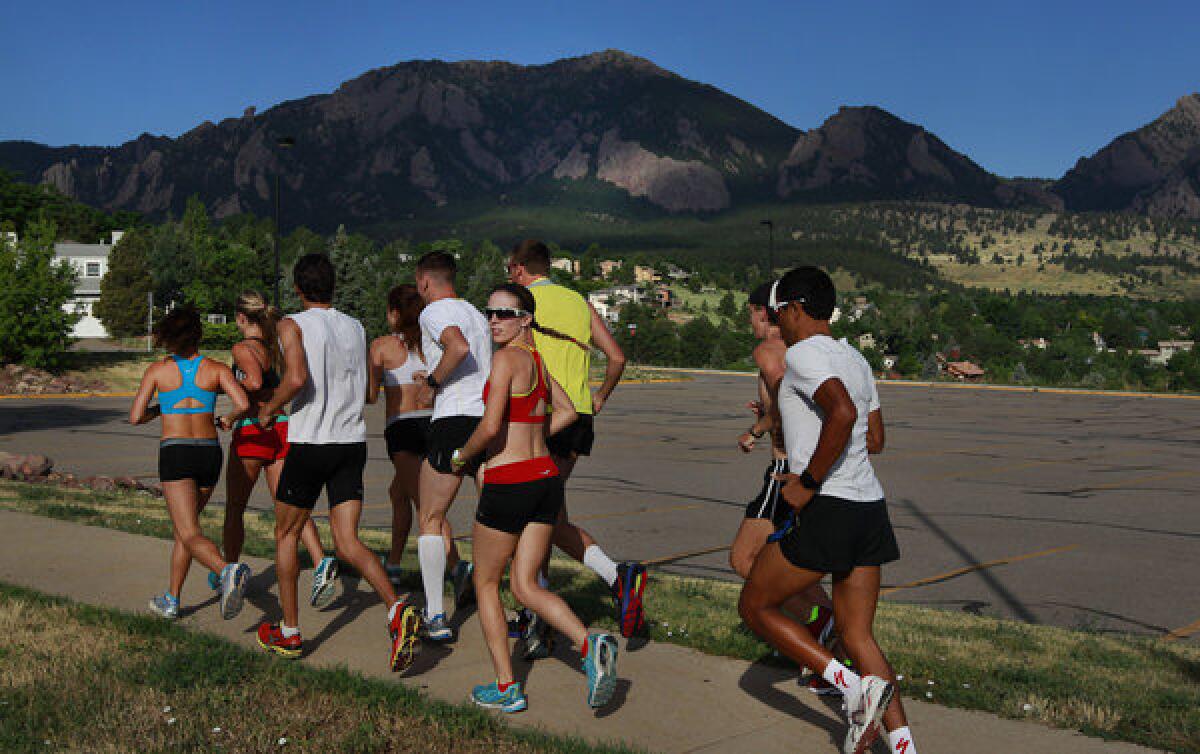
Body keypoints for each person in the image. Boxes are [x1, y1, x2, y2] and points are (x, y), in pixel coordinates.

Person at [738, 267, 915, 754]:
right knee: (858, 635)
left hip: (829, 505)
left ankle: (855, 689)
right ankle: (904, 749)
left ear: (795, 309)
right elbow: (874, 439)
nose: (778, 323)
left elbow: (842, 413)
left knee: (754, 605)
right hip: (868, 507)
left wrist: (809, 480)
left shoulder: (804, 354)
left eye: (779, 313)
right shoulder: (855, 357)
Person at [453, 283, 620, 713]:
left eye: (504, 314)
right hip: (545, 477)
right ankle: (589, 643)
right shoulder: (539, 362)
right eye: (489, 313)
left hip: (509, 482)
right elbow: (567, 412)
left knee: (486, 582)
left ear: (525, 319)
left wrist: (462, 456)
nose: (493, 320)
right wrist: (530, 440)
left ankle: (507, 686)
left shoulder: (507, 360)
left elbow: (489, 428)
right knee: (525, 585)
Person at [253, 253, 420, 672]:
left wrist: (270, 408)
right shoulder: (356, 326)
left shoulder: (292, 324)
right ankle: (396, 608)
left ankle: (289, 632)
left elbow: (296, 378)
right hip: (351, 442)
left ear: (297, 288)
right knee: (347, 541)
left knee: (286, 534)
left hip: (312, 441)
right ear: (334, 287)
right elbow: (366, 389)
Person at [506, 240, 645, 651]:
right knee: (545, 514)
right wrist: (599, 397)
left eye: (509, 269)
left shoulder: (523, 301)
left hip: (545, 415)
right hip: (579, 415)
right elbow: (616, 357)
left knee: (531, 514)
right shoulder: (577, 300)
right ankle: (544, 610)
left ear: (518, 269)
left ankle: (599, 584)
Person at [734, 281, 838, 695]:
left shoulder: (768, 351)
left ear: (765, 312)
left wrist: (765, 427)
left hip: (783, 471)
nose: (751, 322)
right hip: (796, 468)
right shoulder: (800, 349)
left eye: (751, 313)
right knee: (788, 561)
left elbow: (783, 388)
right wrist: (765, 420)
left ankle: (820, 625)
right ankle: (825, 626)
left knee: (744, 560)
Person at [129, 305, 252, 621]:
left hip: (176, 452)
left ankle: (227, 572)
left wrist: (161, 409)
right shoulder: (216, 369)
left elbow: (135, 417)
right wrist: (227, 418)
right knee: (187, 530)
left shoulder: (158, 371)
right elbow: (243, 403)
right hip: (209, 452)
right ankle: (172, 598)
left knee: (188, 531)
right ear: (197, 334)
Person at [219, 290, 339, 609]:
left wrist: (226, 386)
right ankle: (320, 561)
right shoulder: (276, 347)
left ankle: (229, 571)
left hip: (254, 429)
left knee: (234, 507)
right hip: (283, 428)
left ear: (241, 318)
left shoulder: (243, 348)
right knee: (288, 508)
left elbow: (255, 383)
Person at [412, 251, 491, 642]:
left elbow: (455, 348)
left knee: (430, 516)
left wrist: (431, 384)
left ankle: (435, 614)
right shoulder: (477, 313)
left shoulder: (434, 311)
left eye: (418, 285)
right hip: (487, 420)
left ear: (426, 282)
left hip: (454, 418)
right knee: (493, 519)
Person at [366, 284, 453, 584]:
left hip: (402, 427)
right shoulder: (430, 345)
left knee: (426, 505)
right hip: (432, 423)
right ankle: (393, 562)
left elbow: (370, 395)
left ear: (394, 314)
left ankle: (456, 566)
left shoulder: (382, 346)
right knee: (398, 492)